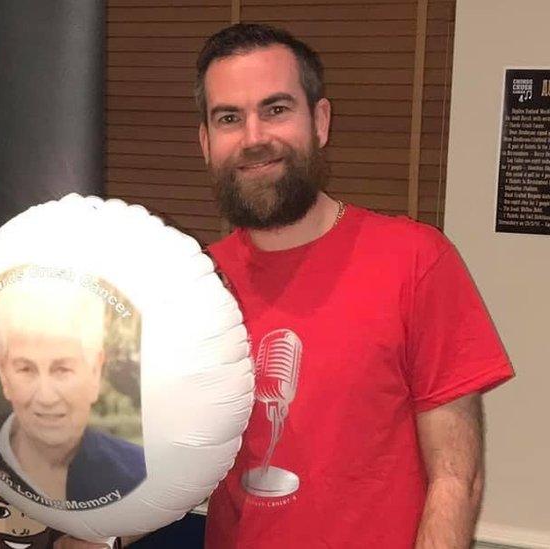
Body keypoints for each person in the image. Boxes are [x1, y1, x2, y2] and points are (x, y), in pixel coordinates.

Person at [192, 23, 515, 548]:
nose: (254, 138)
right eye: (230, 118)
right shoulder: (194, 285)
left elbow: (456, 479)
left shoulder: (416, 261)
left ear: (320, 121)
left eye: (276, 110)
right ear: (207, 142)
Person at [0, 273, 146, 507]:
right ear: (3, 373)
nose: (46, 397)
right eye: (26, 369)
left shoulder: (137, 475)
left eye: (62, 369)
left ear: (95, 371)